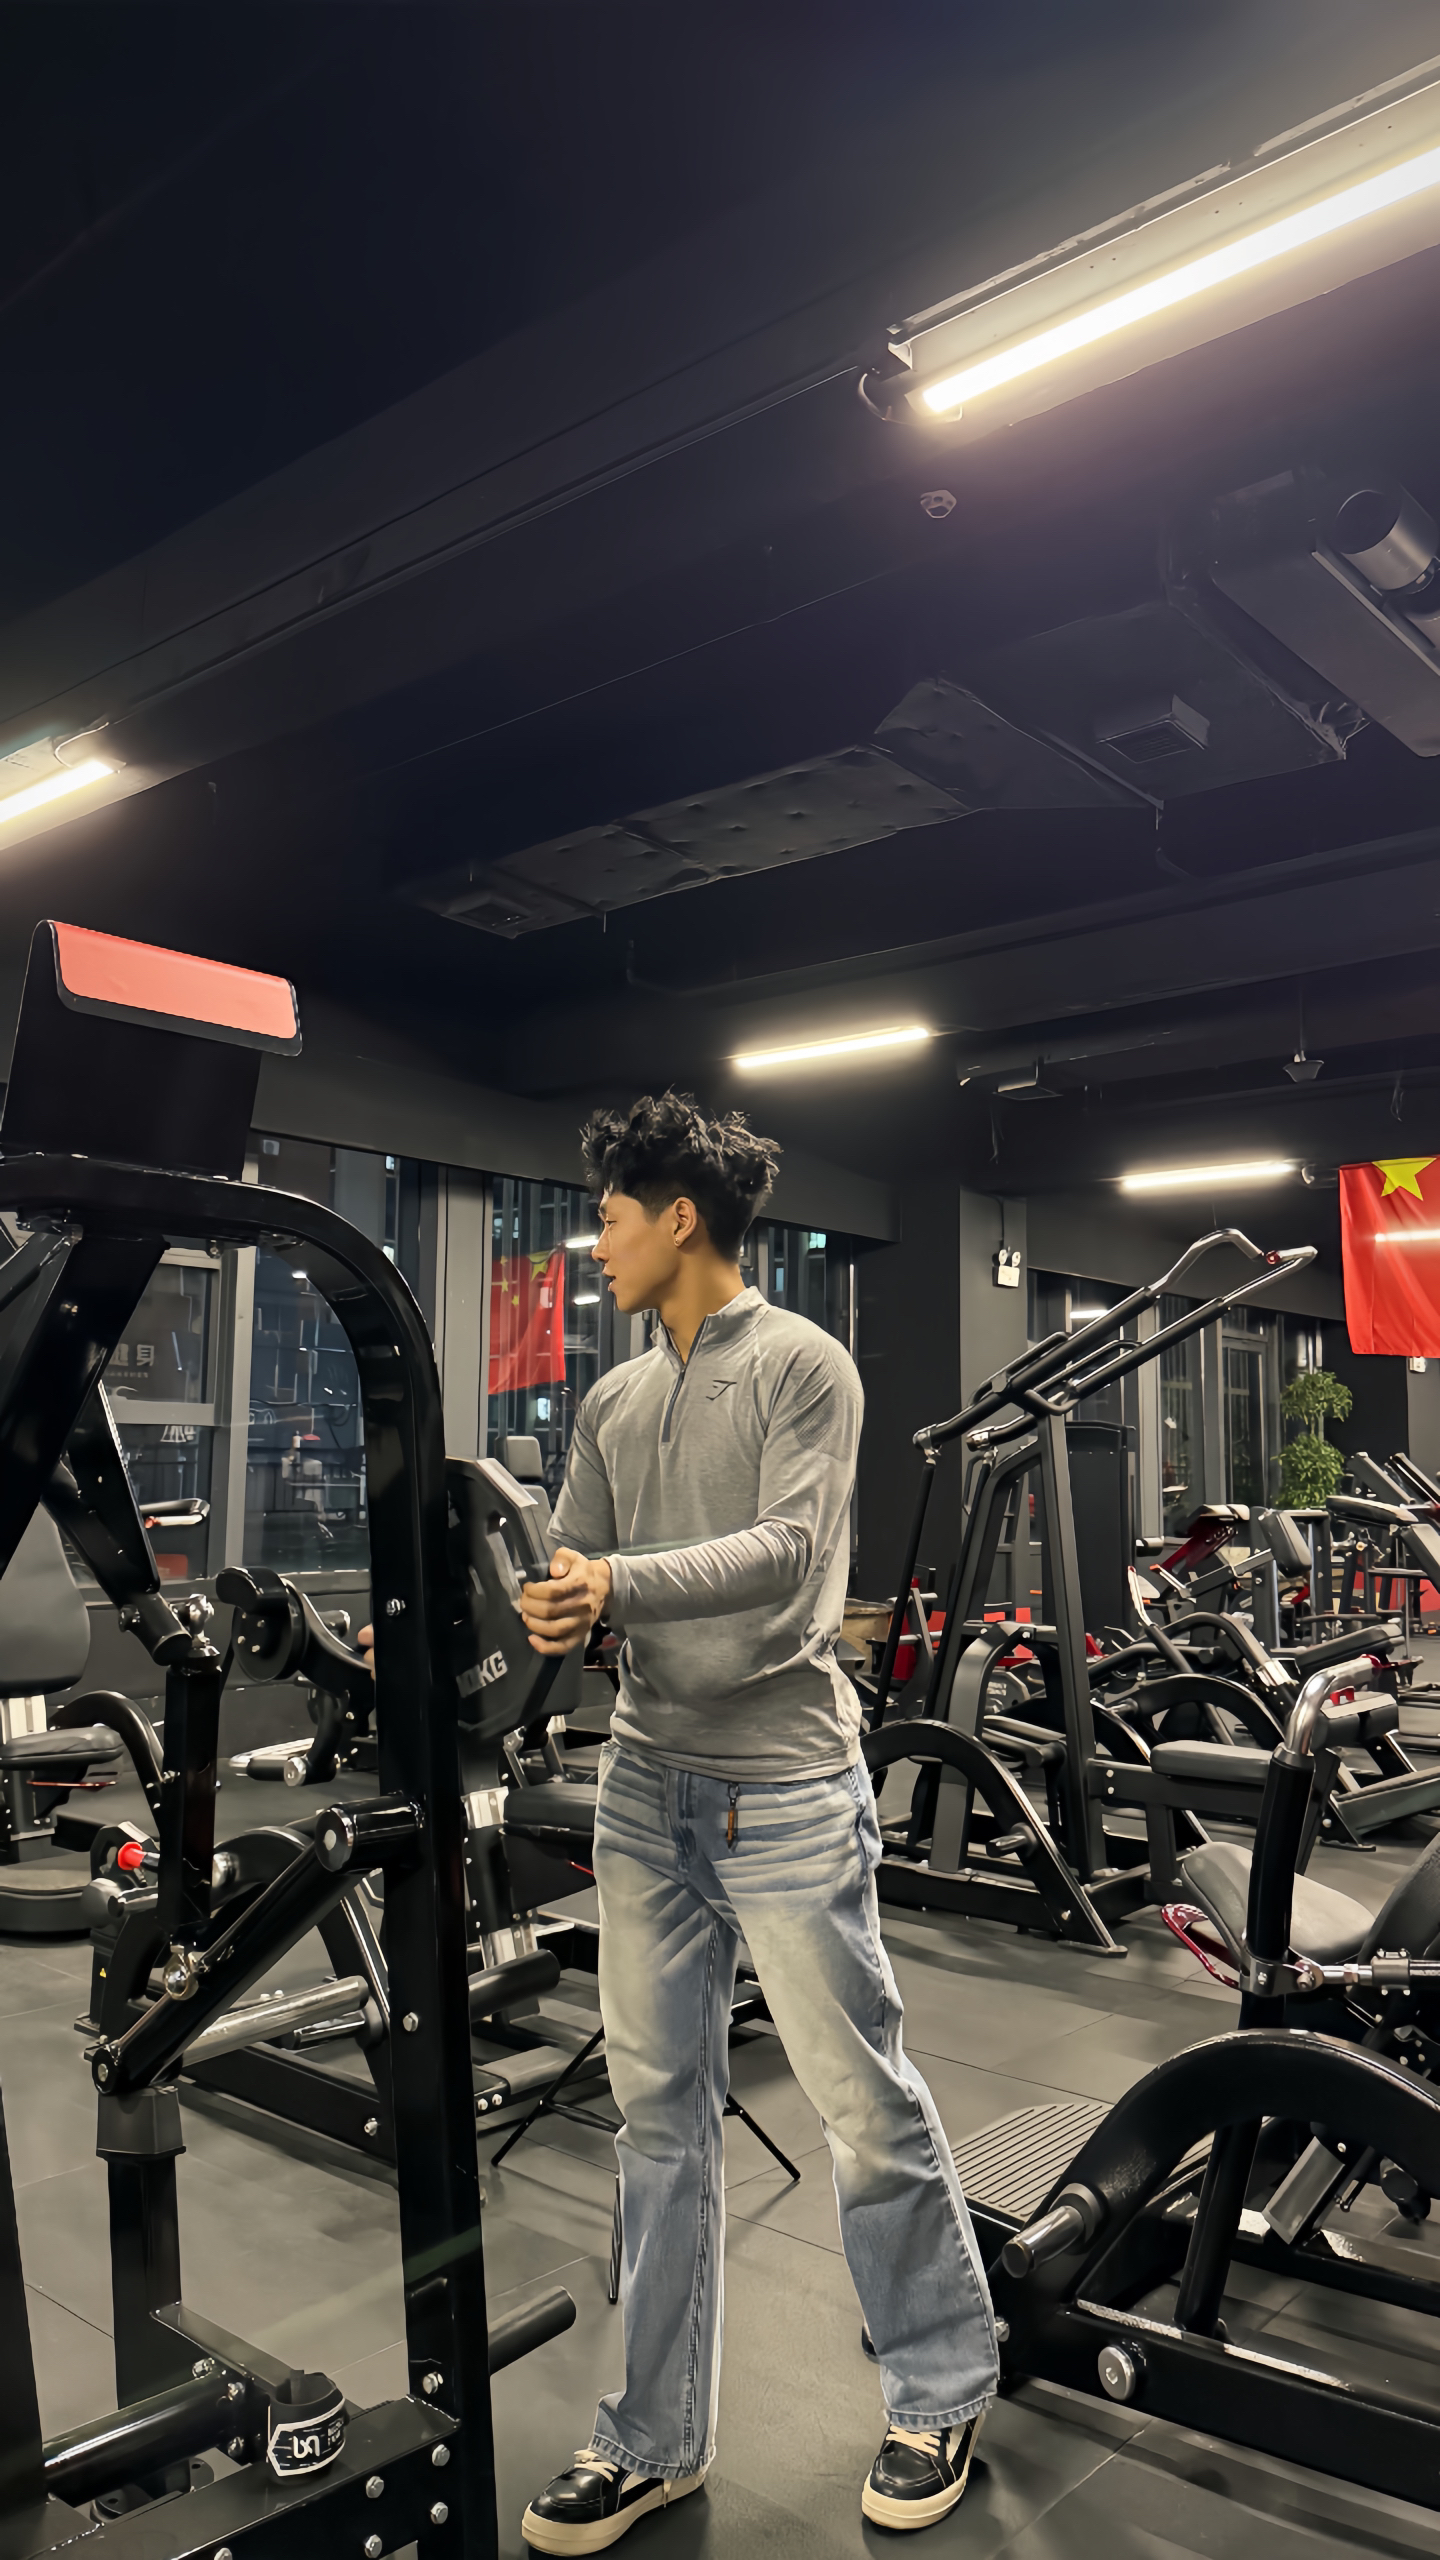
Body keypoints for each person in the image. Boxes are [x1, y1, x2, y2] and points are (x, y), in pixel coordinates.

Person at [512, 1093, 997, 2552]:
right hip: (645, 1784)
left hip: (782, 1788)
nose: (595, 1244)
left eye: (610, 1218)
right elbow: (578, 1557)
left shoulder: (803, 1366)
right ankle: (652, 2437)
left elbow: (790, 1560)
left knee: (859, 2100)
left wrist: (614, 1586)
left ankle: (942, 2385)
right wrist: (548, 1603)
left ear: (680, 1219)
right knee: (656, 2120)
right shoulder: (613, 1397)